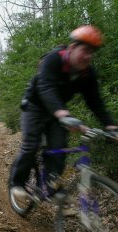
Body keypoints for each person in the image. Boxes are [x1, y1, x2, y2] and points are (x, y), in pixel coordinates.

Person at [9, 25, 118, 214]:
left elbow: (96, 102)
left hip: (58, 113)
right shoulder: (53, 60)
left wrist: (111, 125)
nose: (88, 56)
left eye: (92, 52)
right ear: (72, 47)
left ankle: (50, 190)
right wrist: (63, 115)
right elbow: (46, 88)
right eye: (85, 50)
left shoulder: (87, 74)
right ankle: (16, 183)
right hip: (34, 106)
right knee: (31, 145)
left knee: (60, 150)